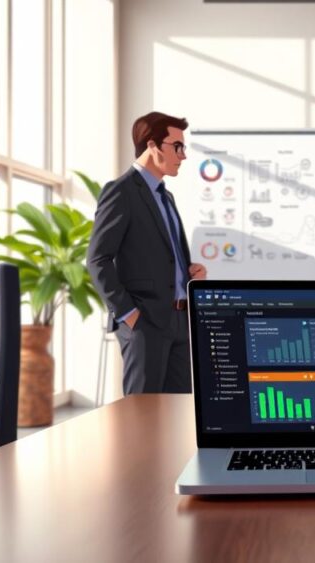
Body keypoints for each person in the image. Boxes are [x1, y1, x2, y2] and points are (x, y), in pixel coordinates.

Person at [87, 111, 207, 395]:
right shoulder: (121, 191)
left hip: (179, 320)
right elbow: (97, 259)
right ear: (152, 146)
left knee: (179, 410)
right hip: (145, 322)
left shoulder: (166, 196)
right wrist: (128, 314)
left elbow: (164, 255)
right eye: (177, 146)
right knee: (142, 411)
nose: (183, 155)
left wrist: (190, 272)